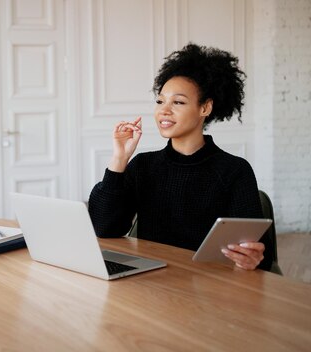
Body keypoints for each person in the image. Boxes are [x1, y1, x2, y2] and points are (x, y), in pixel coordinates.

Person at [88, 43, 274, 271]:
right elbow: (103, 228)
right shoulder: (144, 165)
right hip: (150, 280)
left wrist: (252, 257)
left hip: (208, 286)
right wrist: (119, 158)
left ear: (205, 108)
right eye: (160, 101)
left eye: (178, 102)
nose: (164, 110)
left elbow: (261, 255)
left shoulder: (234, 170)